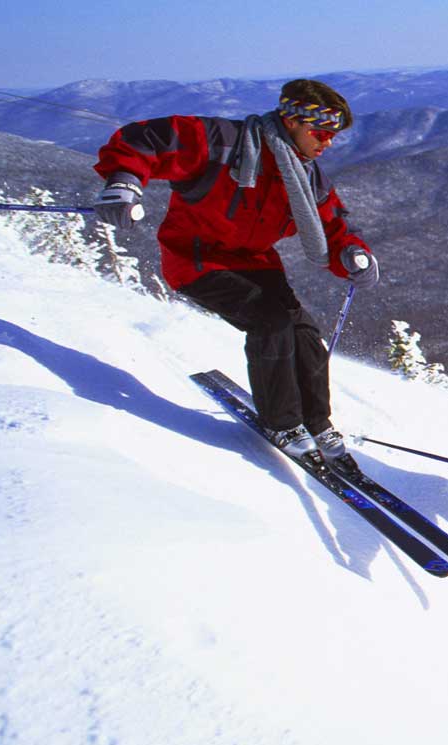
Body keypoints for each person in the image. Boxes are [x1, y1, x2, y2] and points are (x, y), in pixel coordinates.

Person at [91, 78, 378, 468]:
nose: (326, 144)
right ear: (291, 121)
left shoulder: (306, 176)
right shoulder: (222, 143)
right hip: (196, 259)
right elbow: (147, 139)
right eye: (320, 132)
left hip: (256, 262)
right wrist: (125, 180)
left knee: (305, 333)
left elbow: (333, 225)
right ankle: (282, 422)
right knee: (271, 322)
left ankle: (316, 421)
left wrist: (351, 253)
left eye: (333, 136)